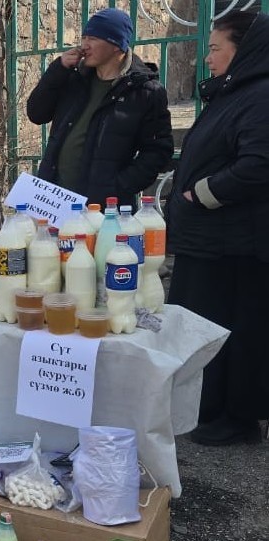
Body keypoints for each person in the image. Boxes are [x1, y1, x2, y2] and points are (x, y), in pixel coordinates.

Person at [166, 11, 269, 446]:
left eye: (214, 48)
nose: (207, 58)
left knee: (235, 330)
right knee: (204, 325)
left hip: (235, 244)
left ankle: (237, 418)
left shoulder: (260, 96)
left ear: (244, 51)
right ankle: (207, 408)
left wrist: (202, 193)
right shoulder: (235, 93)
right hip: (212, 241)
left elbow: (258, 165)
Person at [26, 8, 173, 208]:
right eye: (84, 37)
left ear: (117, 45)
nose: (84, 45)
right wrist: (57, 70)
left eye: (93, 39)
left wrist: (118, 187)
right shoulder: (74, 78)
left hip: (104, 208)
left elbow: (158, 151)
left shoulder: (144, 91)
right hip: (54, 200)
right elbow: (36, 114)